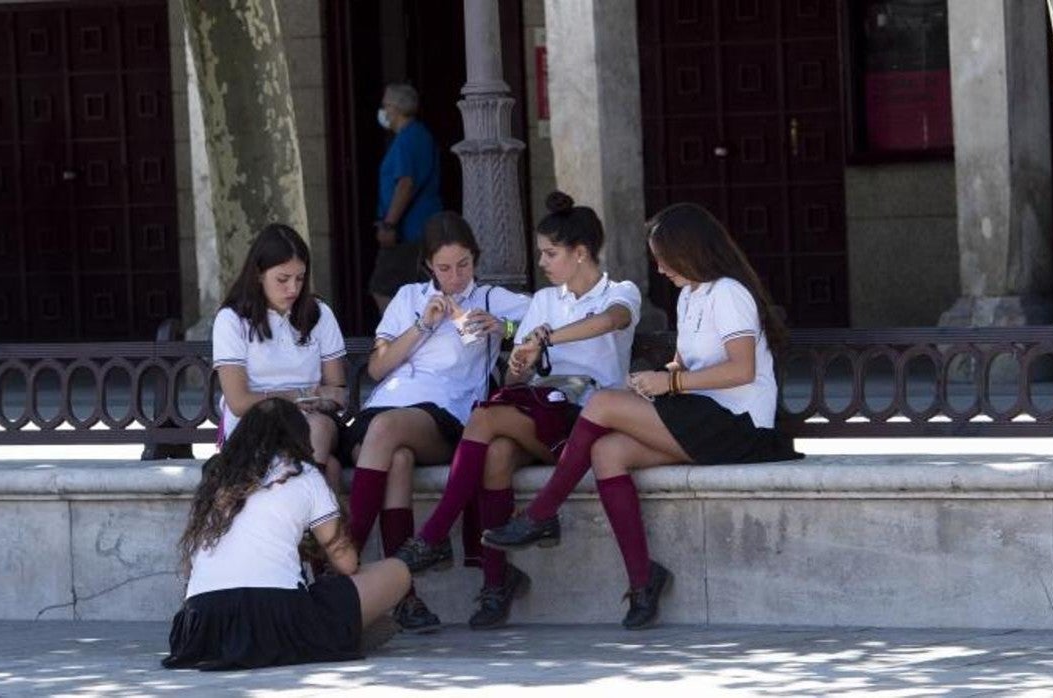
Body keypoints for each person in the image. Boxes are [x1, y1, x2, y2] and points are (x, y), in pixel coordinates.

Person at [482, 202, 800, 630]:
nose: (661, 267)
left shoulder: (728, 292)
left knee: (600, 404)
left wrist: (668, 385)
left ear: (689, 251)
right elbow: (685, 365)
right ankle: (643, 579)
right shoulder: (690, 296)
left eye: (664, 257)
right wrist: (654, 378)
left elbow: (741, 370)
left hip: (742, 427)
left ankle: (540, 515)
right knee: (608, 453)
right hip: (705, 419)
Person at [392, 191, 642, 629]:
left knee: (485, 418)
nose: (542, 262)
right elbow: (513, 382)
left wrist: (548, 339)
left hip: (585, 417)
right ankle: (495, 581)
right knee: (497, 451)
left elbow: (611, 322)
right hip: (541, 409)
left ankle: (434, 535)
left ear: (580, 253)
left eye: (550, 253)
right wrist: (519, 363)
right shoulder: (545, 301)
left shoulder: (620, 292)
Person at [343, 211, 531, 633]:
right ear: (429, 265)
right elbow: (377, 368)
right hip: (387, 410)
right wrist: (421, 326)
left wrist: (506, 327)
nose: (455, 276)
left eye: (463, 265)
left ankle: (346, 558)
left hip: (447, 417)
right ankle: (406, 598)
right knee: (398, 460)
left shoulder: (490, 298)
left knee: (387, 433)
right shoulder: (409, 298)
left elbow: (546, 320)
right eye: (444, 267)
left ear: (475, 260)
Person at [163, 398, 410, 671]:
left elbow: (190, 568)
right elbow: (346, 562)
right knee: (397, 572)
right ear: (299, 437)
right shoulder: (303, 476)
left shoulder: (215, 477)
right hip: (275, 615)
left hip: (201, 625)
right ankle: (334, 634)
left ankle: (335, 632)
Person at [212, 223, 347, 494]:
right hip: (255, 425)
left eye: (300, 278)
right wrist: (295, 396)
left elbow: (339, 393)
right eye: (283, 279)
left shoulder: (319, 313)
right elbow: (239, 403)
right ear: (259, 275)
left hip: (313, 421)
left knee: (318, 428)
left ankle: (302, 526)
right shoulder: (232, 320)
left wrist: (322, 398)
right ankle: (311, 528)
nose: (293, 289)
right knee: (329, 467)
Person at [369, 83, 443, 312]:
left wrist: (389, 224)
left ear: (396, 108)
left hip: (408, 230)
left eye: (385, 105)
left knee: (382, 288)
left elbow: (405, 184)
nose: (383, 111)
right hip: (422, 227)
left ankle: (398, 340)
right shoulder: (419, 135)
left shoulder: (407, 140)